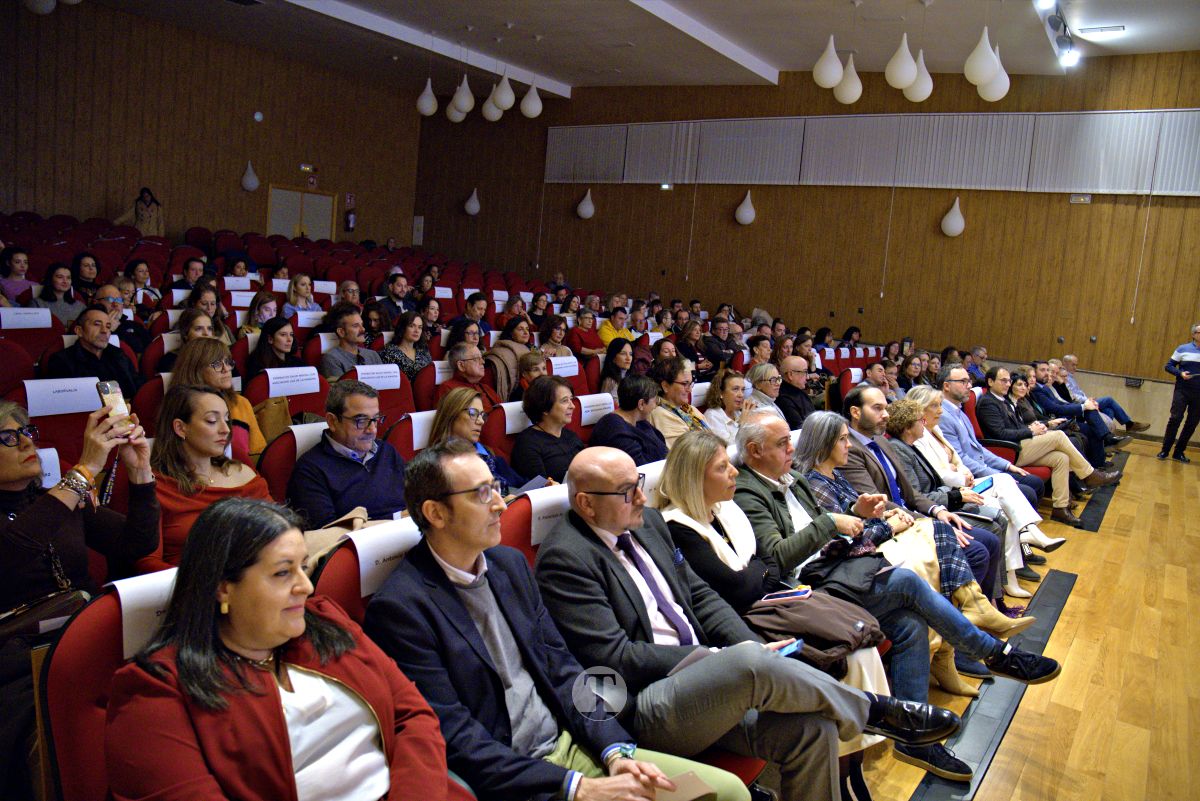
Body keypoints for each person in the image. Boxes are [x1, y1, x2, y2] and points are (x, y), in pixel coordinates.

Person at [536, 446, 963, 801]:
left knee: (812, 731)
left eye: (640, 485)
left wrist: (747, 648)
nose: (643, 499)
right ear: (586, 502)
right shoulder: (566, 559)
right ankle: (875, 711)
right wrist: (718, 658)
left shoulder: (646, 524)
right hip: (647, 705)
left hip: (709, 687)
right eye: (627, 492)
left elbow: (699, 595)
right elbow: (614, 657)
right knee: (744, 662)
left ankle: (860, 712)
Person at [363, 441, 738, 801]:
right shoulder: (401, 609)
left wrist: (615, 751)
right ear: (436, 513)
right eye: (482, 494)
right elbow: (457, 738)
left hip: (573, 745)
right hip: (515, 779)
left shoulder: (508, 566)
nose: (499, 504)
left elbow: (565, 671)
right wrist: (577, 787)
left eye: (496, 487)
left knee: (729, 792)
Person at [107, 498, 467, 801]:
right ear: (222, 588)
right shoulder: (156, 693)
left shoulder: (324, 622)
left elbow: (414, 716)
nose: (306, 587)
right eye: (283, 573)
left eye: (303, 567)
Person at [656, 430, 893, 784]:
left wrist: (757, 573)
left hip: (775, 603)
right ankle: (862, 745)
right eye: (723, 468)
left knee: (864, 647)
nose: (734, 472)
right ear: (694, 477)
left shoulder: (726, 510)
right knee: (845, 656)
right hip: (744, 625)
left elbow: (767, 568)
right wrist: (758, 572)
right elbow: (740, 589)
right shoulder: (678, 528)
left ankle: (852, 766)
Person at [1, 403, 157, 799]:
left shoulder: (53, 500)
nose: (24, 442)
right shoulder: (61, 497)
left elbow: (135, 543)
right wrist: (83, 472)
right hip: (16, 661)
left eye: (26, 432)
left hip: (84, 635)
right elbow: (13, 554)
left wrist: (140, 472)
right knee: (55, 733)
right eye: (7, 437)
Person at [839, 387, 1006, 607]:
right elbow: (877, 502)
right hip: (892, 522)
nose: (886, 415)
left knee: (991, 541)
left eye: (886, 408)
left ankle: (985, 611)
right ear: (856, 412)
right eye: (878, 408)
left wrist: (938, 511)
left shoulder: (881, 441)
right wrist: (931, 524)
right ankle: (959, 619)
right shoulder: (850, 448)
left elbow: (910, 493)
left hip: (913, 513)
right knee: (977, 550)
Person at [906, 386, 1062, 596]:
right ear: (919, 409)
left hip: (964, 481)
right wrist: (961, 476)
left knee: (1005, 479)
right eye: (935, 405)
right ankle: (1015, 566)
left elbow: (957, 459)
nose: (940, 411)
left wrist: (963, 471)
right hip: (953, 491)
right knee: (1002, 511)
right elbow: (939, 473)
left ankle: (1028, 534)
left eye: (940, 405)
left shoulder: (937, 429)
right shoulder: (919, 435)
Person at [885, 399, 1039, 599]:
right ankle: (989, 598)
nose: (924, 422)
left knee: (999, 514)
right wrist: (956, 495)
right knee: (993, 526)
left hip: (945, 498)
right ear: (907, 426)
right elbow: (916, 495)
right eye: (919, 420)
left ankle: (997, 593)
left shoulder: (911, 445)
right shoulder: (900, 448)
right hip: (932, 510)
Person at [140, 385, 272, 571]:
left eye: (227, 419)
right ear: (180, 428)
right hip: (190, 587)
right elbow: (146, 563)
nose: (225, 429)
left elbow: (281, 530)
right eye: (212, 421)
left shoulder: (243, 473)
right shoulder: (156, 487)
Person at [975, 366, 1118, 525]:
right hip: (1008, 452)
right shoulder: (989, 402)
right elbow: (1000, 434)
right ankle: (1089, 474)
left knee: (1061, 458)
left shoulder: (1002, 400)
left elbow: (1016, 427)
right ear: (990, 381)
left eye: (1009, 380)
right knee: (1058, 436)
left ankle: (1060, 508)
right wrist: (1030, 431)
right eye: (1003, 380)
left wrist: (1037, 428)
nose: (1008, 384)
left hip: (1020, 445)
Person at [287, 381, 406, 526]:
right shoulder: (310, 471)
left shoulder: (386, 451)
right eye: (361, 421)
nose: (372, 430)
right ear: (332, 421)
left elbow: (417, 497)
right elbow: (329, 535)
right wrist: (398, 518)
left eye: (375, 419)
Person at [934, 365, 1049, 510]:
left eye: (969, 381)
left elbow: (978, 447)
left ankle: (1024, 529)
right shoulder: (942, 416)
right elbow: (960, 458)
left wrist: (1007, 466)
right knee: (1029, 492)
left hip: (984, 468)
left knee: (1035, 482)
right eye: (963, 382)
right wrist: (999, 475)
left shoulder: (959, 412)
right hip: (971, 477)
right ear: (946, 386)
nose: (969, 386)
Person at [172, 338, 266, 464]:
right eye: (216, 364)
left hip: (241, 473)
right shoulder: (179, 406)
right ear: (195, 369)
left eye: (228, 362)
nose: (226, 369)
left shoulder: (241, 403)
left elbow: (257, 453)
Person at [428, 388, 524, 489]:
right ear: (452, 415)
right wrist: (504, 501)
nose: (481, 421)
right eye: (473, 413)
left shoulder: (487, 454)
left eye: (482, 415)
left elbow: (522, 485)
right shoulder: (440, 462)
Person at [44, 305, 143, 398]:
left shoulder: (119, 355)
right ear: (79, 331)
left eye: (108, 326)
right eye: (97, 324)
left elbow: (137, 388)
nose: (104, 330)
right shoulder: (61, 361)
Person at [1028, 361, 1112, 468]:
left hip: (1059, 418)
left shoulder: (1043, 387)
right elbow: (1055, 408)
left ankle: (1105, 441)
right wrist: (1082, 406)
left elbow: (1061, 402)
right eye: (1042, 370)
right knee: (1092, 427)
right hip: (1055, 421)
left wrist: (1082, 406)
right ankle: (1106, 442)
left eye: (1047, 370)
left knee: (1090, 410)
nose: (1047, 373)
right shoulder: (1036, 390)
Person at [510, 375, 584, 482]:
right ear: (545, 408)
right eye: (564, 401)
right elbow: (540, 487)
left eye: (571, 399)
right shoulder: (527, 443)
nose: (572, 406)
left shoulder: (571, 436)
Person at [590, 374, 668, 466]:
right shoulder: (614, 430)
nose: (655, 406)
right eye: (655, 401)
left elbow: (662, 448)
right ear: (641, 404)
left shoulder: (640, 421)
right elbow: (641, 468)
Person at [1159, 322, 1200, 462]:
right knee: (1175, 419)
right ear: (1194, 335)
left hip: (1199, 394)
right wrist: (1180, 373)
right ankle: (1165, 450)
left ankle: (1179, 452)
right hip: (1182, 390)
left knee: (1192, 423)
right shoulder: (1183, 349)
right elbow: (1168, 366)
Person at [649, 356, 708, 449]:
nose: (690, 390)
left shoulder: (689, 408)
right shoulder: (660, 414)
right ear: (665, 386)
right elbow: (686, 453)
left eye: (691, 384)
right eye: (685, 384)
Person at [319, 303, 382, 379]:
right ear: (341, 332)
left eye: (362, 324)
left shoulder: (373, 355)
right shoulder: (331, 359)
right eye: (356, 326)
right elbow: (342, 390)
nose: (363, 329)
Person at [438, 342, 502, 410]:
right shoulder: (448, 389)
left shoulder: (485, 387)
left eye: (482, 357)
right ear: (461, 365)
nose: (483, 362)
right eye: (476, 358)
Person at [93, 282, 151, 354]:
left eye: (119, 300)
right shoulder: (89, 325)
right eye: (110, 299)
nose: (115, 304)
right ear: (96, 303)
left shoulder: (135, 325)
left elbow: (150, 354)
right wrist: (108, 329)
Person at [484, 316, 533, 402]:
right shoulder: (502, 351)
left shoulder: (532, 349)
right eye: (520, 329)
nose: (526, 332)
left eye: (527, 329)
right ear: (511, 333)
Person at [244, 317, 302, 383]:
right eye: (283, 335)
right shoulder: (257, 363)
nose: (289, 339)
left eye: (291, 334)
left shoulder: (297, 362)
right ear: (270, 339)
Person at [380, 310, 431, 382]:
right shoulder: (388, 352)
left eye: (420, 327)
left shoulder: (423, 350)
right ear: (403, 328)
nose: (417, 330)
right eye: (412, 326)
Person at [702, 368, 747, 444]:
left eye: (743, 390)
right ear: (721, 393)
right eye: (735, 389)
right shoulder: (712, 416)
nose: (741, 395)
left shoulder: (738, 413)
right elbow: (730, 448)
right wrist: (743, 424)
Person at [778, 355, 816, 430]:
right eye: (805, 372)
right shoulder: (784, 399)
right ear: (790, 375)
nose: (807, 376)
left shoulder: (797, 390)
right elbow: (799, 428)